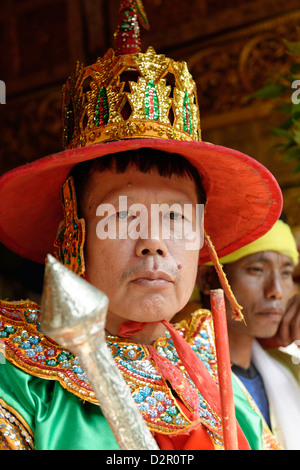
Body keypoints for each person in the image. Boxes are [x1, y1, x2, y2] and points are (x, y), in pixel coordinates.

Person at [0, 0, 282, 450]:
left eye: (176, 218)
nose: (155, 243)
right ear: (75, 233)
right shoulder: (17, 381)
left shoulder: (208, 362)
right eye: (125, 216)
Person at [196, 218, 300, 450]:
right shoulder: (181, 381)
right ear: (208, 278)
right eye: (256, 270)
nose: (276, 291)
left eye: (286, 273)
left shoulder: (290, 370)